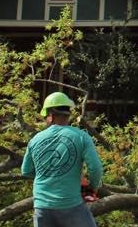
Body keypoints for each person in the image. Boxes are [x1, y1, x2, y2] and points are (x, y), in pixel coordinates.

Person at [22, 92, 103, 227]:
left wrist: (49, 175)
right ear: (67, 114)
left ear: (50, 116)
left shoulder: (35, 140)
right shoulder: (81, 136)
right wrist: (90, 189)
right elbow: (96, 168)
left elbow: (26, 171)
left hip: (42, 207)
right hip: (72, 205)